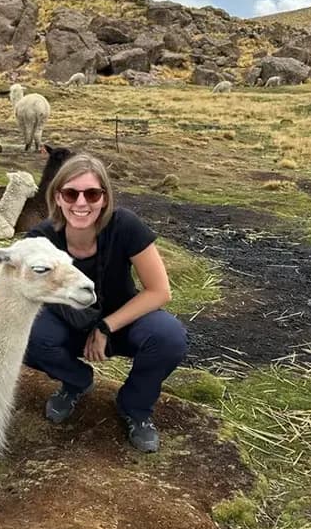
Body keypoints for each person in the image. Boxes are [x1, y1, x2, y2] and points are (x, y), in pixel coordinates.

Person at [24, 152, 188, 452]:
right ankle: (76, 381)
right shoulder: (41, 239)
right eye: (71, 193)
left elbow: (159, 291)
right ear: (57, 197)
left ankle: (135, 406)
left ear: (105, 198)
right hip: (68, 325)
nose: (81, 203)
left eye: (92, 194)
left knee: (169, 336)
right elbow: (18, 286)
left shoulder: (125, 226)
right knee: (26, 334)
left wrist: (106, 326)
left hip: (123, 322)